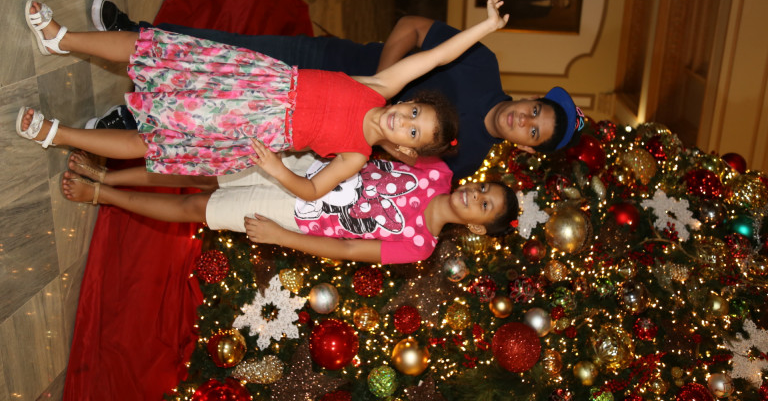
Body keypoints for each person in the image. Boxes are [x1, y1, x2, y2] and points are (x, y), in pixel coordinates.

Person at [17, 0, 508, 201]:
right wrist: (486, 25)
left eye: (414, 131)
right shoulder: (380, 86)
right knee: (159, 49)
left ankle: (58, 135)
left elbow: (312, 191)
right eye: (415, 111)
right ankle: (62, 39)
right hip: (255, 78)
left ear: (404, 150)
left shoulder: (357, 155)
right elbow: (436, 55)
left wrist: (277, 169)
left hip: (252, 131)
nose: (405, 119)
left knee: (152, 143)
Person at [92, 0, 584, 179]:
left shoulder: (468, 159)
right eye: (535, 110)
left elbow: (396, 160)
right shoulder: (483, 63)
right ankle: (134, 34)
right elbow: (412, 27)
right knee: (228, 53)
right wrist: (378, 89)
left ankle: (132, 119)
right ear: (531, 97)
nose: (524, 120)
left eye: (533, 131)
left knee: (219, 122)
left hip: (314, 123)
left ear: (527, 147)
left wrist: (376, 137)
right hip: (332, 67)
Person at [60, 151, 519, 264]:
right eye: (484, 189)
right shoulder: (437, 170)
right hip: (306, 167)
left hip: (294, 215)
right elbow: (381, 144)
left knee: (196, 207)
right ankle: (108, 175)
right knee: (199, 171)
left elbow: (347, 250)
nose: (475, 196)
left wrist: (283, 237)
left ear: (477, 228)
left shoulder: (419, 246)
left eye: (484, 206)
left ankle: (103, 196)